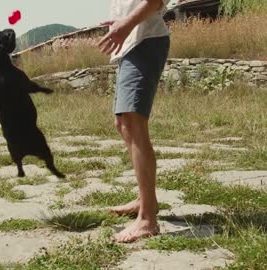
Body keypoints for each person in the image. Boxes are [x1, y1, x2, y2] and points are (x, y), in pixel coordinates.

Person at [98, 0, 170, 243]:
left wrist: (126, 25)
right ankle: (145, 198)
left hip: (145, 42)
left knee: (133, 123)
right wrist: (120, 21)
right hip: (131, 45)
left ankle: (147, 219)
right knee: (123, 123)